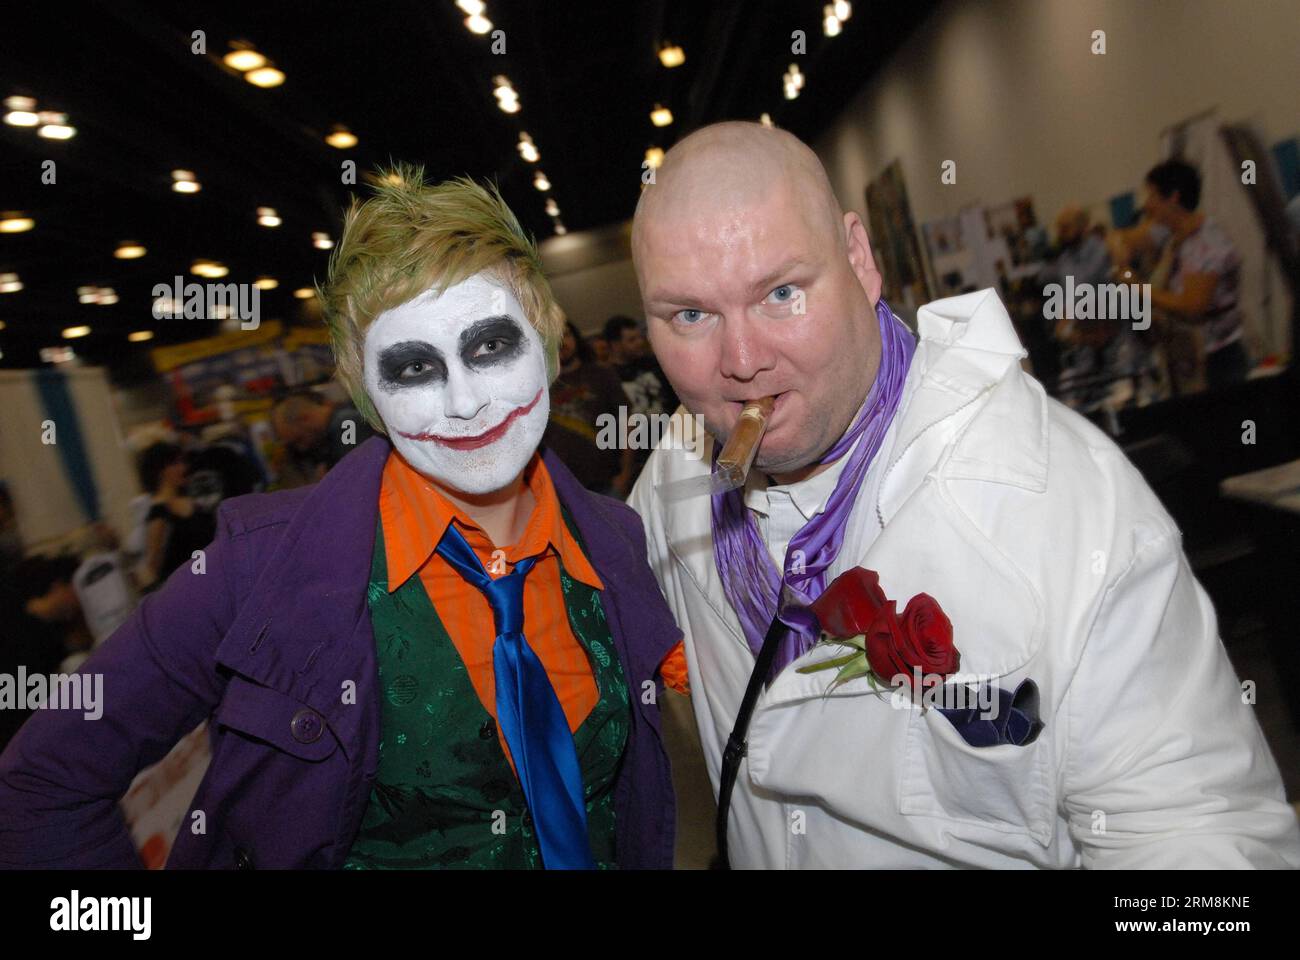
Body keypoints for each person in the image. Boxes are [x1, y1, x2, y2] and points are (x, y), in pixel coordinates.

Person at [627, 121, 1300, 869]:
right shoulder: (673, 480)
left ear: (860, 258)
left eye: (782, 293)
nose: (742, 362)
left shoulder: (1061, 502)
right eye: (690, 315)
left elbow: (1203, 844)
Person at [0, 168, 681, 870]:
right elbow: (42, 783)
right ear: (364, 388)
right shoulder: (255, 568)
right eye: (414, 368)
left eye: (488, 347)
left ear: (545, 342)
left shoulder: (614, 539)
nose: (466, 401)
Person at [1117, 159, 1249, 390]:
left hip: (1219, 361)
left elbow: (1192, 306)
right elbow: (1120, 242)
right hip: (1195, 360)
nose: (1147, 206)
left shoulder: (1206, 242)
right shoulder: (1177, 239)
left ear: (1173, 198)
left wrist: (1138, 288)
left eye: (1152, 197)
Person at [543, 321, 635, 496]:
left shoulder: (601, 374)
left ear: (576, 338)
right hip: (565, 488)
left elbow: (627, 422)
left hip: (608, 479)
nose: (562, 342)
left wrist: (625, 473)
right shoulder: (539, 386)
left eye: (566, 335)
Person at [136, 442, 216, 590]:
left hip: (213, 580)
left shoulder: (193, 500)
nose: (183, 468)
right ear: (160, 470)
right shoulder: (158, 513)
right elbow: (152, 566)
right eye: (175, 464)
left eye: (182, 462)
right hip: (189, 590)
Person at [270, 389, 375, 479]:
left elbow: (356, 473)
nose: (302, 447)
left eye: (299, 439)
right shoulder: (340, 426)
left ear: (304, 419)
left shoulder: (346, 424)